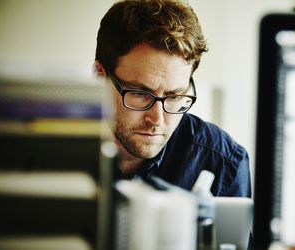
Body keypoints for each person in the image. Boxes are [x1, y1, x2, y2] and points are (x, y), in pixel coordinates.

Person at [94, 0, 251, 197]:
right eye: (140, 94)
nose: (157, 119)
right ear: (100, 76)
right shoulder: (51, 149)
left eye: (175, 96)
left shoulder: (223, 162)